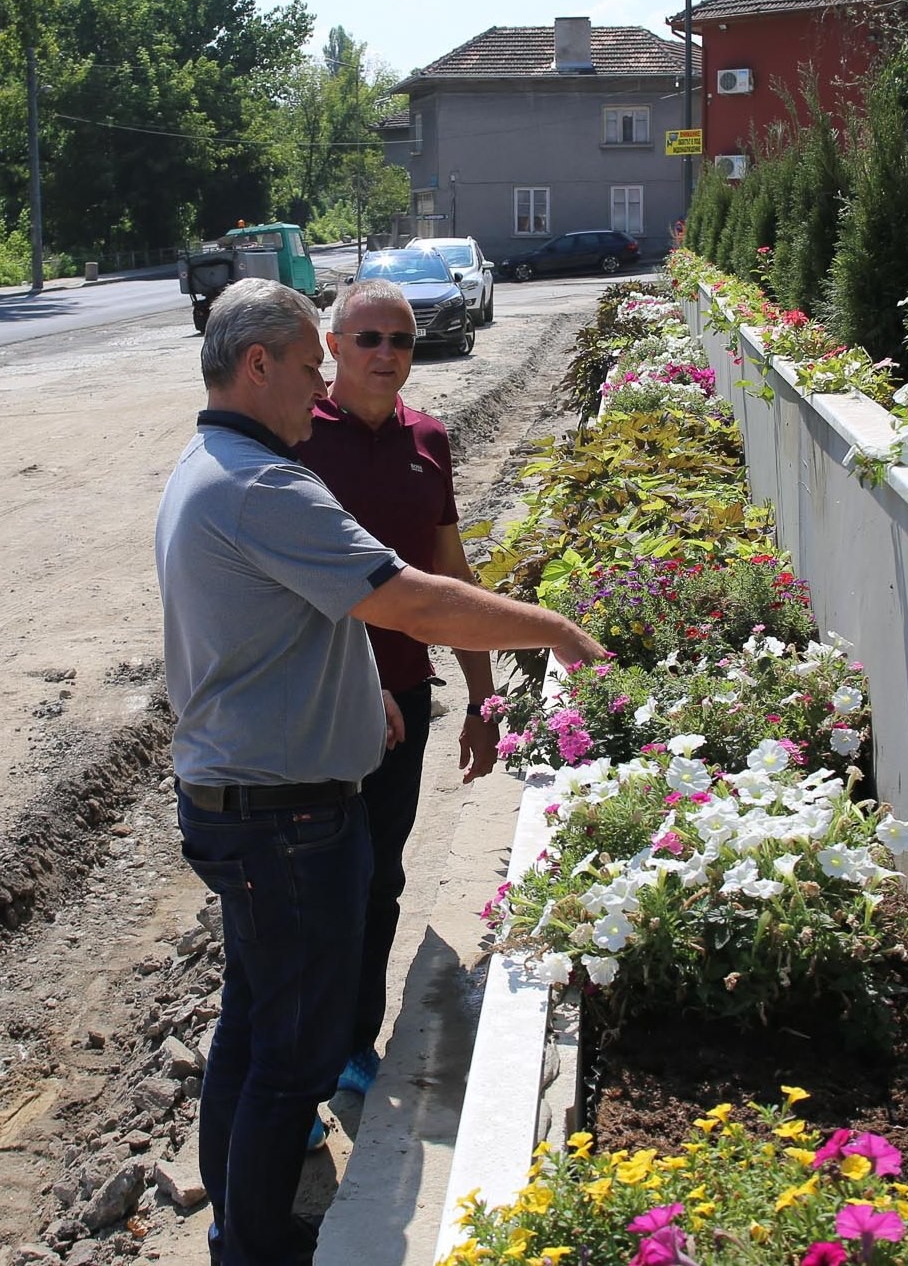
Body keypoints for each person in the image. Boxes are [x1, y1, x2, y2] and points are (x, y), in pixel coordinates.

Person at [154, 279, 603, 1266]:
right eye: (312, 363)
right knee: (291, 1059)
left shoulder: (214, 462)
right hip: (286, 822)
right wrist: (557, 631)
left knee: (251, 1026)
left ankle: (244, 1224)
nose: (322, 381)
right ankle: (260, 1246)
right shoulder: (260, 485)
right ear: (258, 364)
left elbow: (303, 618)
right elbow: (410, 602)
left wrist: (367, 695)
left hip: (246, 801)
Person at [294, 278, 494, 1113]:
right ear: (333, 347)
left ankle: (349, 1047)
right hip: (310, 710)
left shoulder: (428, 440)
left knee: (379, 881)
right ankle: (289, 1071)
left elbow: (449, 574)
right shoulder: (296, 437)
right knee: (310, 894)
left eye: (400, 341)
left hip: (405, 704)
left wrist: (483, 697)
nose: (385, 354)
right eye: (368, 338)